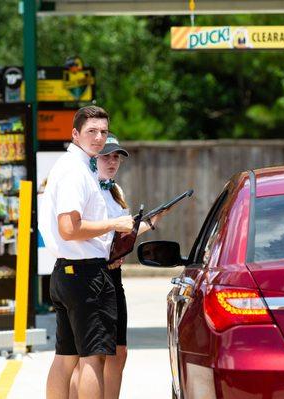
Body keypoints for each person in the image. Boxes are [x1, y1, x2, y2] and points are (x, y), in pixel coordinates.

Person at [41, 106, 134, 399]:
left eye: (103, 132)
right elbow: (69, 227)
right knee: (93, 360)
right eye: (91, 131)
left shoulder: (76, 168)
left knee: (66, 357)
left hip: (68, 272)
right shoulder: (75, 171)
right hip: (85, 275)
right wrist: (114, 223)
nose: (98, 138)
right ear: (75, 134)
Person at [69, 133, 166, 399]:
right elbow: (81, 233)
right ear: (93, 159)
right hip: (91, 275)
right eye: (106, 156)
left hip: (114, 276)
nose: (112, 162)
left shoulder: (115, 190)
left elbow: (119, 236)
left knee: (118, 351)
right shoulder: (86, 189)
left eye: (116, 157)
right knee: (89, 356)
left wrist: (150, 222)